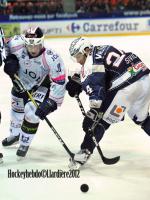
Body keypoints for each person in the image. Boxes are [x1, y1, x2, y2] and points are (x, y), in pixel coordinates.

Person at [66, 37, 150, 169]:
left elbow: (97, 85)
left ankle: (84, 152)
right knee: (143, 120)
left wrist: (93, 112)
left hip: (127, 88)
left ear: (86, 50)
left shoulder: (91, 61)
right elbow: (106, 72)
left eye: (78, 56)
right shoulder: (103, 49)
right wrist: (79, 81)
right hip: (144, 78)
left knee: (99, 121)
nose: (77, 60)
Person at [2, 26, 66, 158]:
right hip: (20, 83)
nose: (32, 49)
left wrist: (51, 102)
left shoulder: (51, 58)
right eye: (29, 46)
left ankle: (25, 142)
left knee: (31, 111)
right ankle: (15, 134)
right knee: (16, 109)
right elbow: (3, 47)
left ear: (41, 42)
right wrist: (9, 60)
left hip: (41, 86)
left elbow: (59, 82)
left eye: (36, 45)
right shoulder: (16, 43)